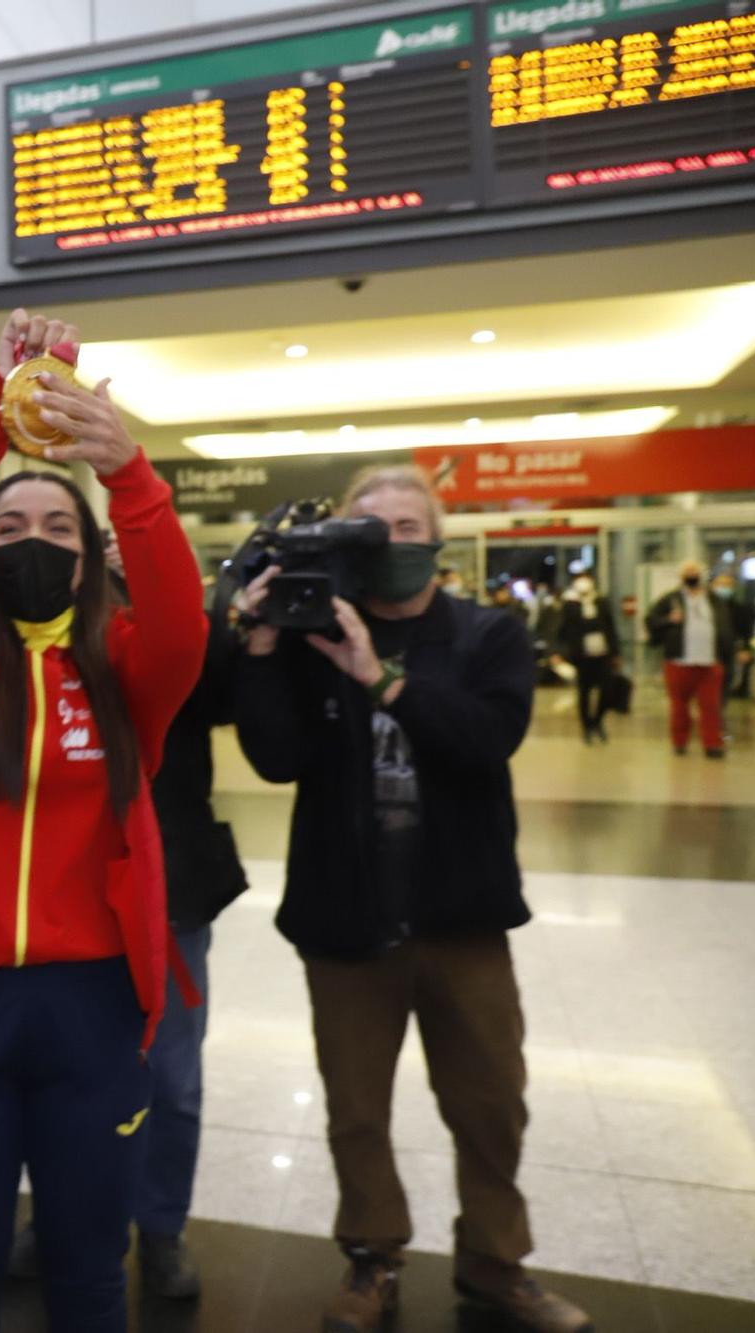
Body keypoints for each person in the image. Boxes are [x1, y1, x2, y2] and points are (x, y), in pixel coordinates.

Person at [0, 309, 206, 1332]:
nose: (32, 539)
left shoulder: (123, 668)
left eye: (57, 528)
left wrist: (127, 475)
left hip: (95, 1013)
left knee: (82, 1271)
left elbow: (182, 619)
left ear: (88, 557)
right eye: (11, 528)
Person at [234, 463, 590, 1333]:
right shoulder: (309, 631)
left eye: (406, 524)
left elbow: (487, 739)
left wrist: (380, 675)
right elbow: (275, 757)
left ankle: (495, 1264)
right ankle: (372, 1258)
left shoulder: (486, 634)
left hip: (462, 914)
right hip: (346, 914)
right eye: (369, 526)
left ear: (436, 536)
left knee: (491, 1103)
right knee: (356, 1108)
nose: (390, 540)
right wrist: (259, 641)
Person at [9, 533, 241, 1302]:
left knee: (171, 1079)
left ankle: (162, 1227)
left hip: (168, 892)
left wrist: (160, 579)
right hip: (68, 896)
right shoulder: (39, 641)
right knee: (66, 1074)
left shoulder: (175, 646)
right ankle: (56, 1221)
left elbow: (222, 689)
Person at [646, 560, 735, 758]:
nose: (692, 575)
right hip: (679, 662)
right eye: (688, 572)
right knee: (679, 707)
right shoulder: (670, 599)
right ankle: (679, 742)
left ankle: (713, 743)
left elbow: (727, 626)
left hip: (710, 662)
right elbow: (651, 621)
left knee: (711, 706)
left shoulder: (714, 600)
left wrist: (728, 654)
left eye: (695, 571)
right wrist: (669, 620)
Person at [554, 573, 621, 744]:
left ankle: (597, 721)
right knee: (584, 691)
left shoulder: (601, 601)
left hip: (603, 653)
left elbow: (611, 627)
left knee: (607, 690)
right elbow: (563, 630)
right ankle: (587, 727)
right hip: (582, 655)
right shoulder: (570, 605)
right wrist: (559, 652)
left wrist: (615, 652)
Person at [712, 572, 755, 700]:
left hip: (730, 656)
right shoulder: (706, 609)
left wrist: (745, 649)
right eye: (720, 584)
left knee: (724, 692)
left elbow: (746, 633)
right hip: (708, 656)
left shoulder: (740, 610)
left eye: (727, 585)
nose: (723, 588)